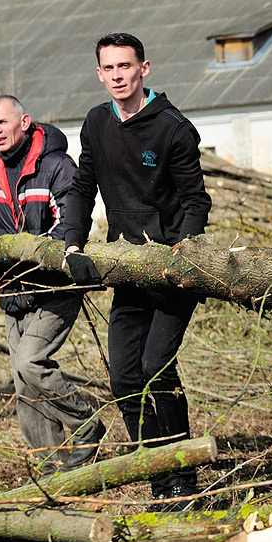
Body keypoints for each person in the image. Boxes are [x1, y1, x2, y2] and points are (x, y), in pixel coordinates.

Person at [62, 32, 212, 510]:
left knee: (156, 369)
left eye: (125, 66)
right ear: (100, 73)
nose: (117, 76)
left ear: (144, 68)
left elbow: (196, 200)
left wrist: (182, 252)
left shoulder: (173, 128)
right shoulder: (96, 123)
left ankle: (182, 478)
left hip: (171, 271)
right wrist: (71, 243)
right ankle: (156, 474)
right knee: (126, 376)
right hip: (125, 266)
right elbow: (83, 188)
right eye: (108, 69)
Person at [0, 95, 107, 476]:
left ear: (24, 121)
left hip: (54, 286)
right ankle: (53, 468)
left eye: (3, 123)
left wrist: (35, 249)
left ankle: (87, 423)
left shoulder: (55, 165)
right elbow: (6, 228)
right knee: (23, 382)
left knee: (30, 362)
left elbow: (71, 222)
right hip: (14, 289)